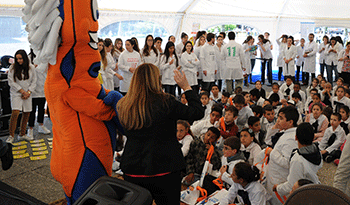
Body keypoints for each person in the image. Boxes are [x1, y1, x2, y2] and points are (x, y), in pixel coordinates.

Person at [117, 63, 205, 205]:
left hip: (133, 169)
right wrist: (187, 88)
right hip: (165, 169)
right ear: (156, 80)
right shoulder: (166, 102)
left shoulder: (123, 105)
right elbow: (198, 112)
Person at [273, 123, 322, 200]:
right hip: (315, 186)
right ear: (313, 138)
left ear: (296, 138)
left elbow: (292, 185)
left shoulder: (298, 159)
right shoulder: (317, 151)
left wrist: (278, 188)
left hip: (304, 193)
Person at [264, 106, 299, 204]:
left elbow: (286, 162)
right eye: (278, 117)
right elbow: (267, 141)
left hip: (280, 179)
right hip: (274, 175)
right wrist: (275, 127)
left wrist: (272, 152)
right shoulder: (285, 132)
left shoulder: (291, 138)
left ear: (290, 122)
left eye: (281, 118)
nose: (278, 120)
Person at [7, 49, 37, 143]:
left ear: (24, 58)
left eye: (20, 59)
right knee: (15, 113)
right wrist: (22, 91)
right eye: (17, 59)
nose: (19, 61)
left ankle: (22, 134)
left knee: (26, 113)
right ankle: (11, 135)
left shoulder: (31, 67)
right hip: (16, 93)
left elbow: (34, 81)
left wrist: (28, 92)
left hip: (27, 93)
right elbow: (11, 82)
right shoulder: (12, 67)